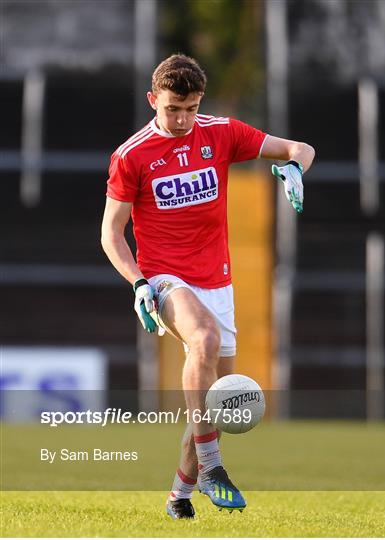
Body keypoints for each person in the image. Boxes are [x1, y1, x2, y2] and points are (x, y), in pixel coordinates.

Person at [101, 54, 315, 519]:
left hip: (217, 282)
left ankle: (179, 494)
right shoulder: (131, 155)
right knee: (205, 339)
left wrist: (296, 168)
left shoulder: (220, 132)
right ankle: (214, 467)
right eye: (172, 108)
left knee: (220, 401)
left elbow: (299, 147)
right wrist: (139, 283)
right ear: (152, 99)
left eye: (191, 108)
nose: (182, 119)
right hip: (162, 277)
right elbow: (111, 233)